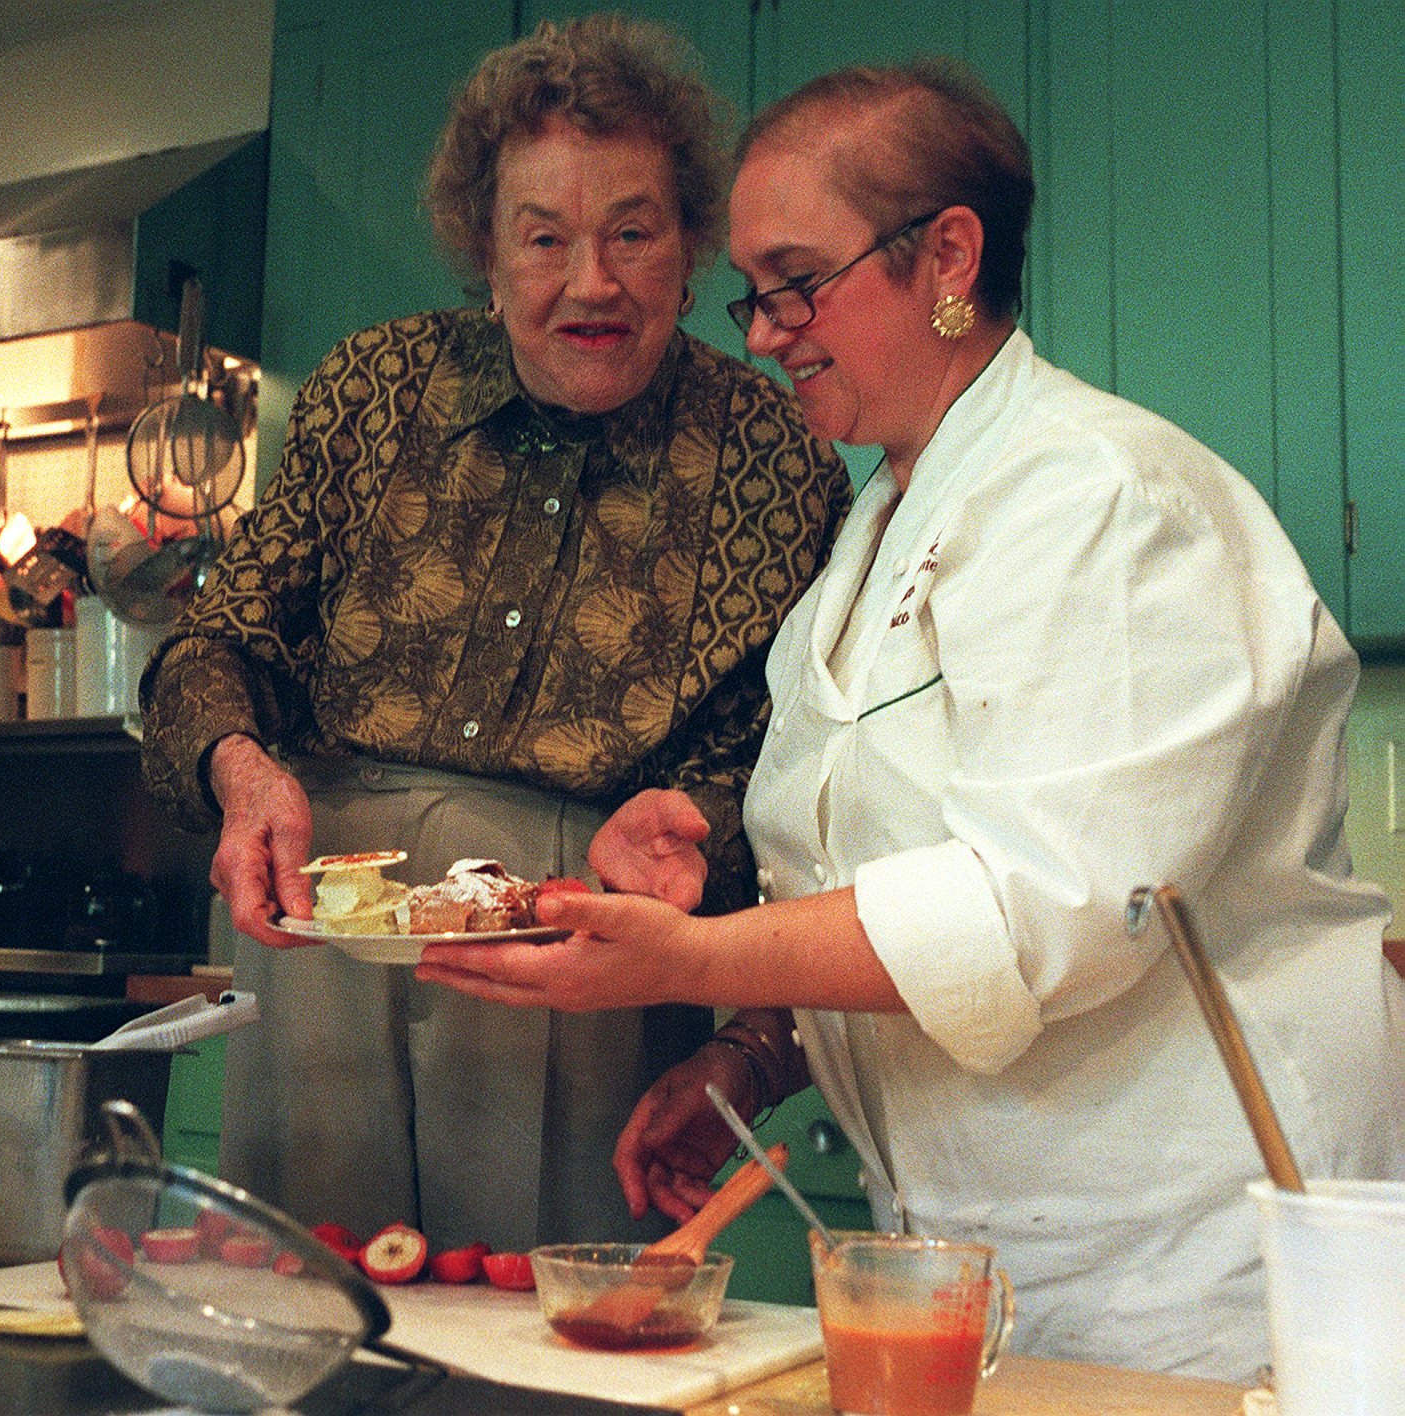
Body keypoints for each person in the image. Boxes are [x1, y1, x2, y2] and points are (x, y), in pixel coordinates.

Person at [417, 58, 1405, 1378]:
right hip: (967, 1256)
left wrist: (687, 964)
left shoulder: (1104, 501)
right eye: (754, 292)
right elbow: (889, 888)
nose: (763, 330)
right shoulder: (874, 532)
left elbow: (1038, 915)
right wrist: (758, 1058)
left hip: (1193, 1259)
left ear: (948, 254)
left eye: (796, 281)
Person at [138, 15, 851, 1252]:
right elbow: (218, 638)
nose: (592, 281)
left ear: (690, 245)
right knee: (308, 1310)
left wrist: (699, 827)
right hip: (321, 931)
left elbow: (791, 758)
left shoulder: (774, 457)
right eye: (544, 239)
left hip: (584, 952)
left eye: (633, 232)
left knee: (547, 1329)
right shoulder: (371, 392)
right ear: (485, 250)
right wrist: (241, 772)